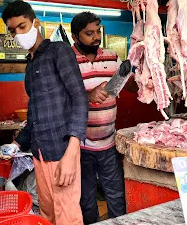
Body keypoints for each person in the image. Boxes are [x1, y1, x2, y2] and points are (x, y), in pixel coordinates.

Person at [2, 0, 88, 225]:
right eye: (13, 31)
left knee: (67, 217)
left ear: (35, 23)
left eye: (22, 27)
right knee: (48, 214)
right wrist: (18, 145)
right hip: (40, 153)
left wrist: (71, 153)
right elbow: (35, 113)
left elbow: (80, 99)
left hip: (61, 152)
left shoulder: (58, 51)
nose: (18, 34)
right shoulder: (30, 65)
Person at [71, 12, 140, 224]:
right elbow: (60, 99)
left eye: (97, 32)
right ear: (75, 37)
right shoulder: (67, 61)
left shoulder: (111, 57)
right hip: (80, 146)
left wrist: (135, 71)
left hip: (109, 143)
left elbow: (131, 86)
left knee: (116, 195)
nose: (95, 37)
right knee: (86, 199)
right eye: (88, 33)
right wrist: (87, 96)